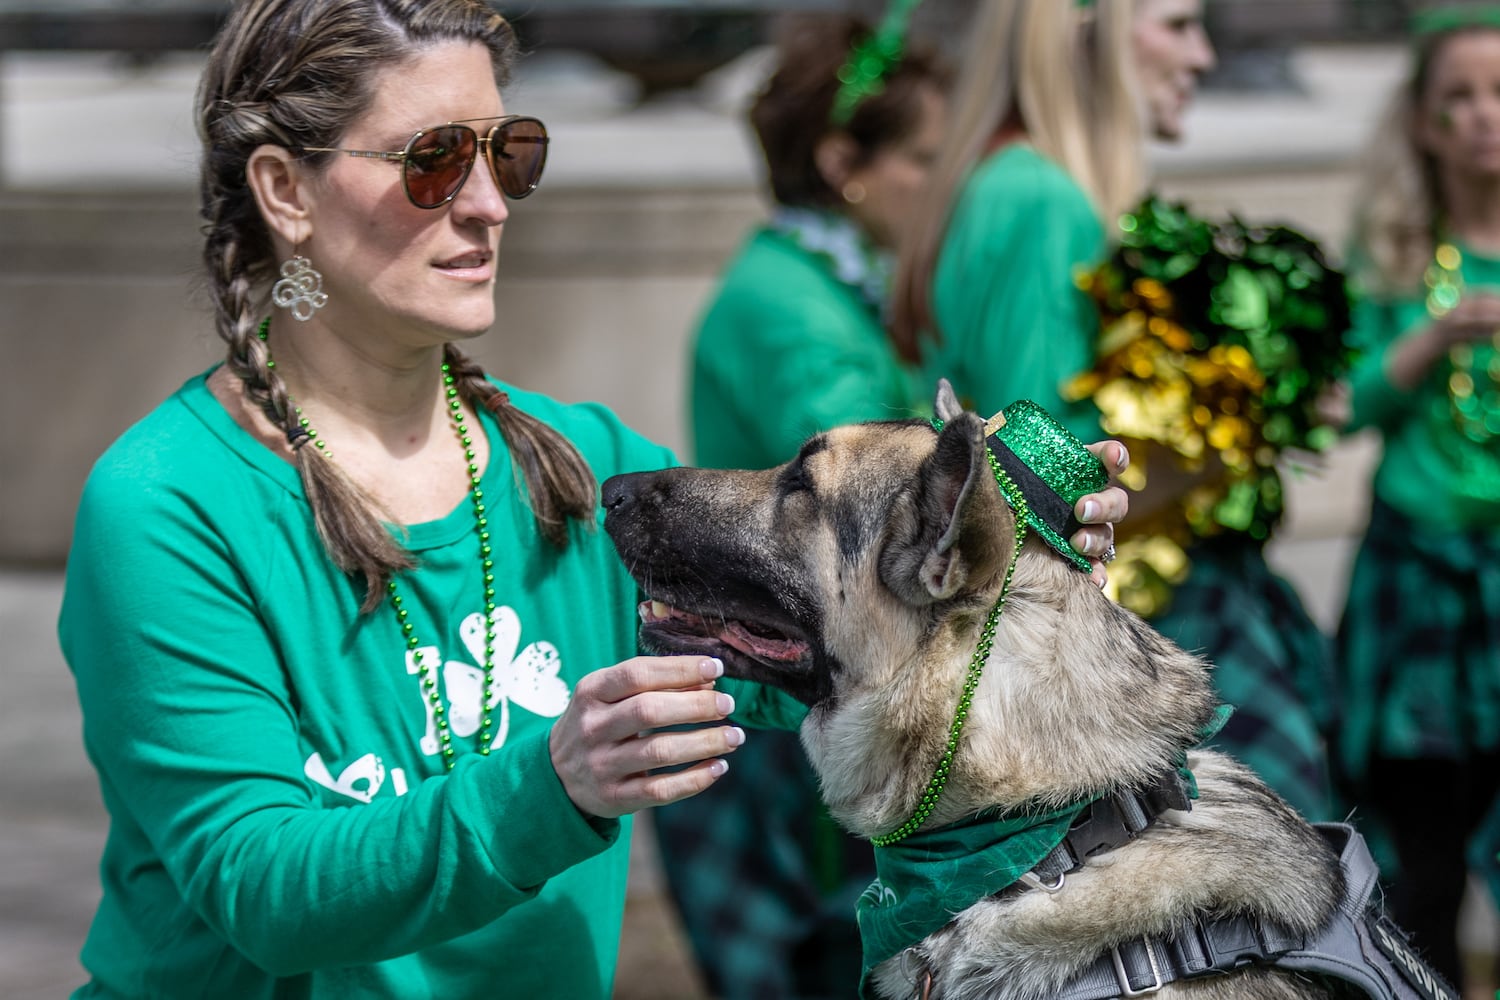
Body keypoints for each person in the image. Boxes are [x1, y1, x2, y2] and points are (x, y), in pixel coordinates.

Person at [55, 1, 1132, 996]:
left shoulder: (580, 462)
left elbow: (834, 654)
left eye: (508, 152)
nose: (487, 204)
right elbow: (259, 888)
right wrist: (553, 786)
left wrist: (1015, 553)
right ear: (285, 190)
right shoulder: (165, 503)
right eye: (433, 161)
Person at [891, 0, 1342, 825]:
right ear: (1083, 35)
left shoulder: (1004, 181)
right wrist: (1239, 431)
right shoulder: (1039, 197)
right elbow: (1041, 484)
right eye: (1177, 23)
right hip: (1095, 648)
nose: (1203, 56)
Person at [660, 12, 954, 997]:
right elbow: (879, 499)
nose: (942, 184)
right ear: (844, 162)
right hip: (779, 708)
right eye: (924, 157)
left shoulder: (838, 282)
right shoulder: (784, 306)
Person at [1335, 3, 1500, 987]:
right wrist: (1429, 339)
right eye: (1459, 97)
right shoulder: (1400, 247)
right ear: (1424, 120)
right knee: (1419, 851)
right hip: (1417, 579)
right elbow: (1343, 406)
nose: (1485, 115)